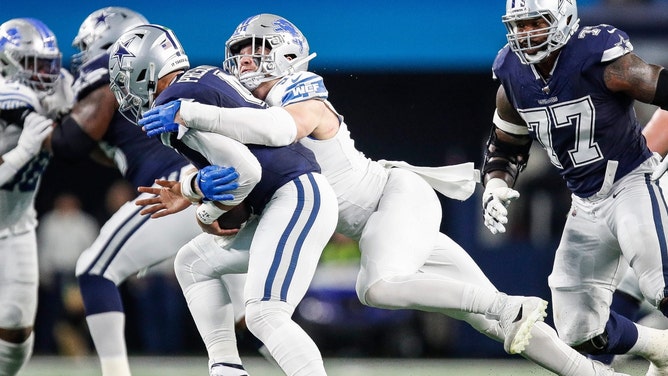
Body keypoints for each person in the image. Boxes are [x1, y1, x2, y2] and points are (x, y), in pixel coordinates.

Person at [139, 13, 628, 376]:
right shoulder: (239, 112)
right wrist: (197, 194)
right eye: (240, 51)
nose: (244, 60)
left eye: (256, 49)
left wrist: (194, 114)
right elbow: (240, 194)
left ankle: (510, 307)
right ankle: (590, 372)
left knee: (379, 287)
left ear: (287, 53)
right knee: (483, 317)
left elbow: (280, 130)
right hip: (348, 220)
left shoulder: (296, 92)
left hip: (392, 200)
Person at [108, 23, 339, 376]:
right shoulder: (200, 77)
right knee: (192, 262)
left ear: (145, 69)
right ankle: (226, 368)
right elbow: (231, 160)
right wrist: (193, 190)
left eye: (124, 80)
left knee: (265, 313)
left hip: (294, 194)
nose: (125, 93)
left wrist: (201, 201)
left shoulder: (173, 101)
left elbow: (244, 170)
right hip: (283, 197)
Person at [45, 8, 247, 376]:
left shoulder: (109, 75)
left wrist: (44, 121)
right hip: (213, 181)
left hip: (173, 188)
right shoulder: (157, 78)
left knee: (94, 271)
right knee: (251, 314)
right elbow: (115, 149)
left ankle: (115, 373)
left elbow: (70, 144)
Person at [476, 0, 668, 373]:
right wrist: (495, 185)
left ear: (563, 18)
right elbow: (505, 145)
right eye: (519, 25)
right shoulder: (512, 74)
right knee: (580, 330)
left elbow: (658, 85)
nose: (526, 34)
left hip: (629, 181)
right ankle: (659, 345)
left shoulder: (599, 56)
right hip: (584, 201)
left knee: (662, 284)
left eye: (535, 23)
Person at [0, 17, 73, 375]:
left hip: (16, 225)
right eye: (33, 65)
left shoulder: (57, 89)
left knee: (15, 331)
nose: (45, 74)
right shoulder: (8, 96)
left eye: (48, 64)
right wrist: (21, 151)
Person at [36, 192, 98, 356]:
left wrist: (90, 275)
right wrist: (43, 274)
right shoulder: (49, 222)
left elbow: (93, 248)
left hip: (76, 275)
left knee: (80, 316)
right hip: (56, 275)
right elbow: (43, 249)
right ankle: (50, 350)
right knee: (52, 315)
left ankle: (86, 350)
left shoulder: (85, 222)